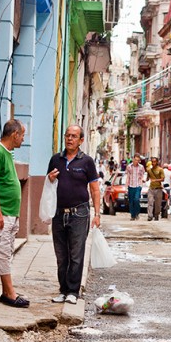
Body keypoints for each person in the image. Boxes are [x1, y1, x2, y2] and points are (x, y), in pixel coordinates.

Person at [47, 125, 101, 305]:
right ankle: (63, 290)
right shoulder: (56, 159)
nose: (70, 139)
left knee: (76, 254)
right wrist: (50, 179)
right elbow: (49, 183)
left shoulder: (87, 162)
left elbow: (94, 188)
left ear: (81, 140)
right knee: (61, 255)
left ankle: (73, 291)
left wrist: (97, 213)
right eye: (68, 135)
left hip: (80, 213)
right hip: (58, 213)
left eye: (74, 136)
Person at [0, 119, 29, 308]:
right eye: (22, 135)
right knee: (0, 251)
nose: (23, 139)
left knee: (6, 251)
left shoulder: (7, 154)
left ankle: (6, 291)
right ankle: (10, 294)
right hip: (1, 213)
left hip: (10, 212)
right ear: (14, 135)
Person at [125, 153, 145, 221]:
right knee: (131, 201)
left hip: (138, 186)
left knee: (136, 200)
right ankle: (132, 215)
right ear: (133, 159)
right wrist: (126, 186)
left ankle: (137, 213)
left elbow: (143, 175)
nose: (136, 161)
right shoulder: (129, 167)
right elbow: (127, 177)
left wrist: (142, 182)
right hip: (131, 185)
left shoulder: (141, 167)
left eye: (138, 160)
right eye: (135, 160)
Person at [146, 156, 165, 221]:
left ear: (157, 162)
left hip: (158, 188)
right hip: (151, 188)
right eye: (152, 162)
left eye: (154, 162)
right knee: (150, 202)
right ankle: (150, 215)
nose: (153, 163)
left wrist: (155, 180)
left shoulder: (160, 169)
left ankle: (156, 215)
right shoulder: (149, 170)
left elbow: (162, 179)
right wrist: (145, 179)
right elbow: (147, 178)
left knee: (157, 204)